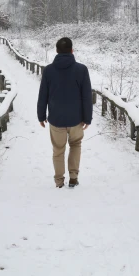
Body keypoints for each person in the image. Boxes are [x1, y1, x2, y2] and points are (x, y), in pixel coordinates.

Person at [37, 37, 92, 188]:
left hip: (56, 119)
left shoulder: (48, 70)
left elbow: (43, 95)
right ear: (72, 50)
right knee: (76, 145)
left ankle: (59, 181)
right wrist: (87, 118)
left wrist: (41, 116)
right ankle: (73, 177)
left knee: (58, 150)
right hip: (76, 119)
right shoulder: (81, 70)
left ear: (56, 51)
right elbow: (87, 96)